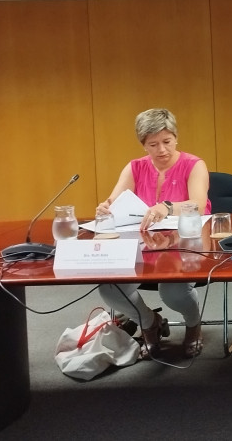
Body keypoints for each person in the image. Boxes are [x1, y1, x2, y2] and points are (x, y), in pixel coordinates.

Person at [96, 108, 210, 358]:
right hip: (143, 246)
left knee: (172, 290)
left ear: (176, 137)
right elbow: (113, 202)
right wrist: (106, 208)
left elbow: (198, 204)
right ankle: (149, 322)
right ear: (143, 145)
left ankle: (193, 324)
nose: (161, 150)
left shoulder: (194, 165)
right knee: (109, 288)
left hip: (184, 244)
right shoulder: (135, 167)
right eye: (153, 144)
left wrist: (167, 207)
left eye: (167, 142)